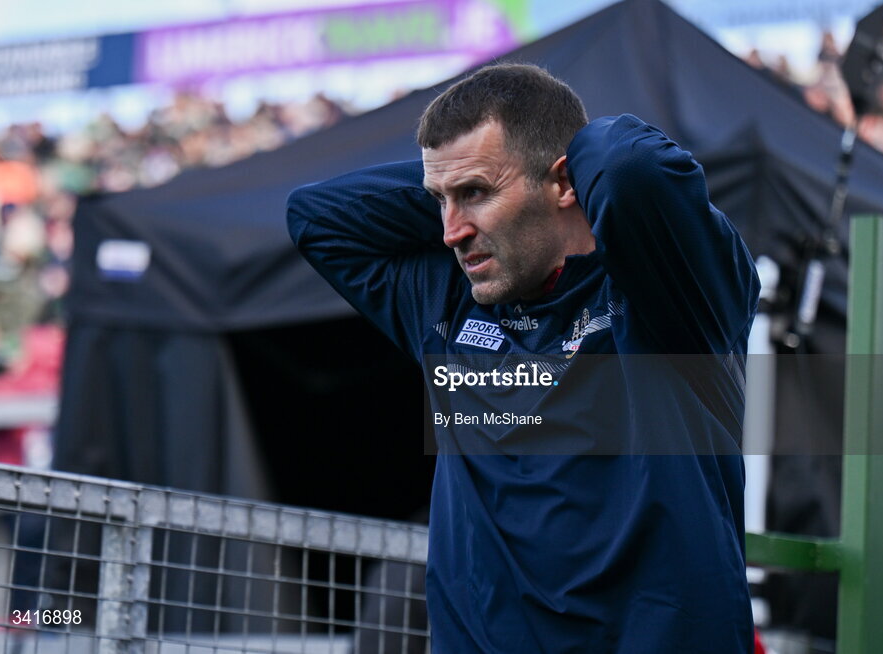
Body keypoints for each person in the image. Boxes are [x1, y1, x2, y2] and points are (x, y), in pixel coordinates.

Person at [288, 63, 758, 652]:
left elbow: (625, 163)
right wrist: (479, 183)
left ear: (565, 183)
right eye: (440, 201)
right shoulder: (448, 302)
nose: (450, 232)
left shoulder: (668, 295)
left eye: (476, 194)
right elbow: (315, 215)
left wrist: (542, 168)